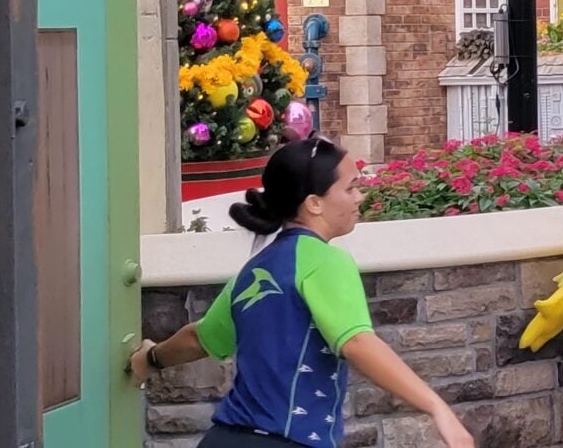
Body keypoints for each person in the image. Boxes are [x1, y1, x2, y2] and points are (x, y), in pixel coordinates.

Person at [129, 136, 475, 448]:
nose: (361, 196)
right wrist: (437, 408)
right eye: (351, 188)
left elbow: (199, 339)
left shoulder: (254, 271)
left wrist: (150, 358)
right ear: (314, 204)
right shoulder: (325, 262)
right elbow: (356, 342)